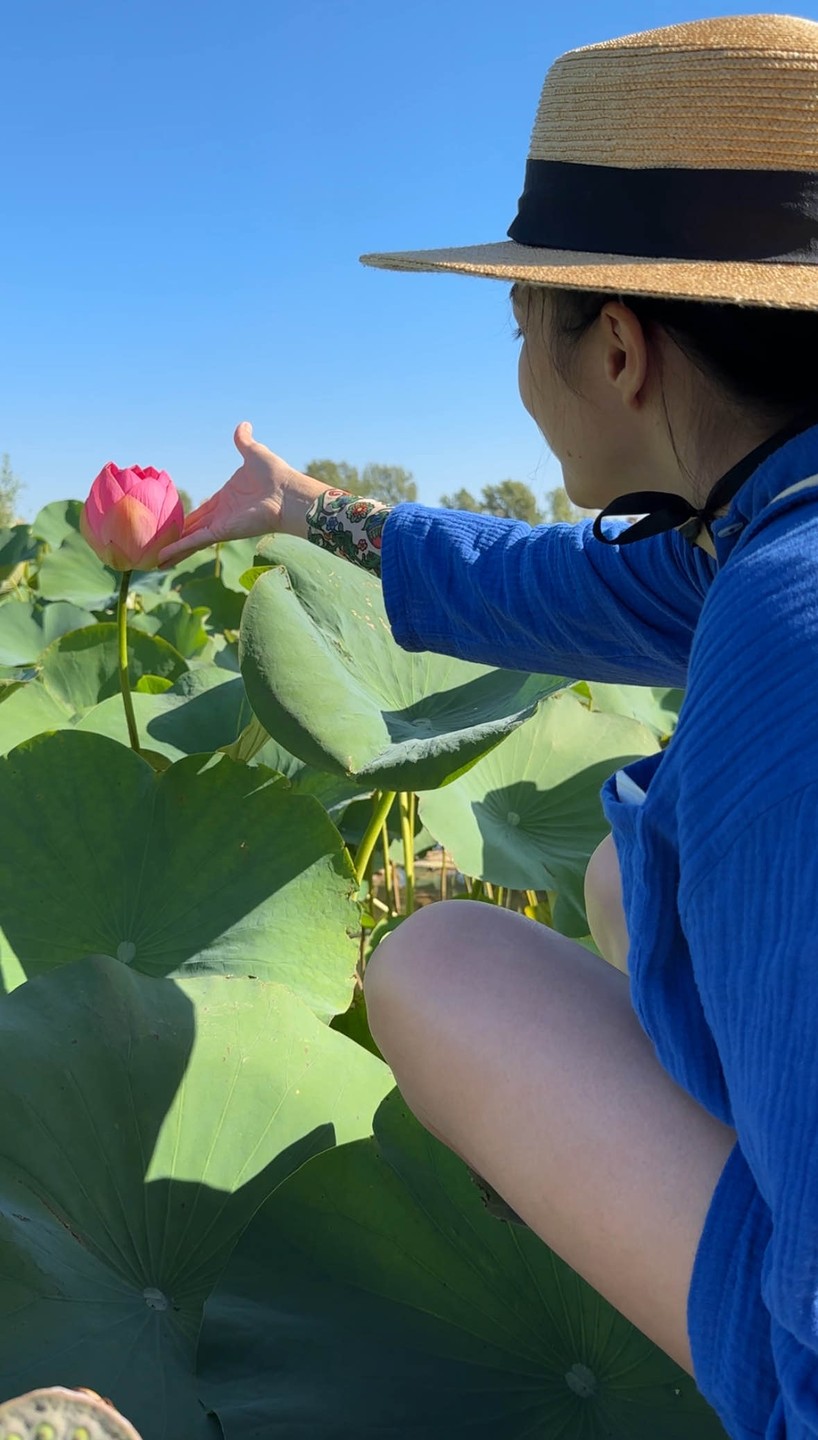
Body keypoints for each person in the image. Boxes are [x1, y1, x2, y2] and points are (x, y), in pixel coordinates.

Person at [158, 15, 818, 1438]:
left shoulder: (788, 620)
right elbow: (554, 582)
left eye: (524, 323)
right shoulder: (757, 530)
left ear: (621, 350)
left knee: (442, 958)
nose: (519, 373)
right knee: (612, 875)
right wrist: (305, 507)